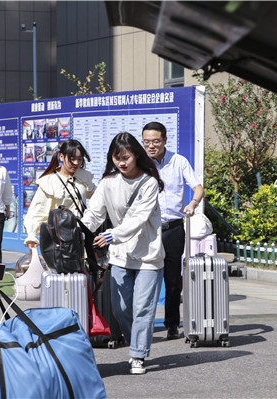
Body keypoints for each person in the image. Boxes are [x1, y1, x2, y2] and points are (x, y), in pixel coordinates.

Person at [81, 132, 164, 375]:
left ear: (136, 155)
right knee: (120, 308)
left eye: (126, 157)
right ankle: (136, 339)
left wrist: (111, 235)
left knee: (142, 308)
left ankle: (137, 354)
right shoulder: (108, 182)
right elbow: (94, 213)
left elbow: (138, 218)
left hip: (148, 255)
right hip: (119, 255)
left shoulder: (148, 183)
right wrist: (82, 230)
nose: (122, 162)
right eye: (117, 158)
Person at [142, 121, 204, 340]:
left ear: (165, 140)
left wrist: (193, 203)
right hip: (147, 230)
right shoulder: (140, 164)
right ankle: (144, 324)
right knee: (146, 278)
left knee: (172, 280)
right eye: (147, 142)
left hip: (173, 229)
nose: (151, 146)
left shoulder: (179, 162)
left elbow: (197, 187)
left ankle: (171, 324)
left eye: (155, 141)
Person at [23, 139, 95, 249]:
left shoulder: (83, 176)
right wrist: (32, 236)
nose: (76, 163)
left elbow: (97, 196)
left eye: (79, 159)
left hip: (81, 236)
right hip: (60, 240)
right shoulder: (49, 182)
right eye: (72, 159)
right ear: (61, 157)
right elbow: (37, 212)